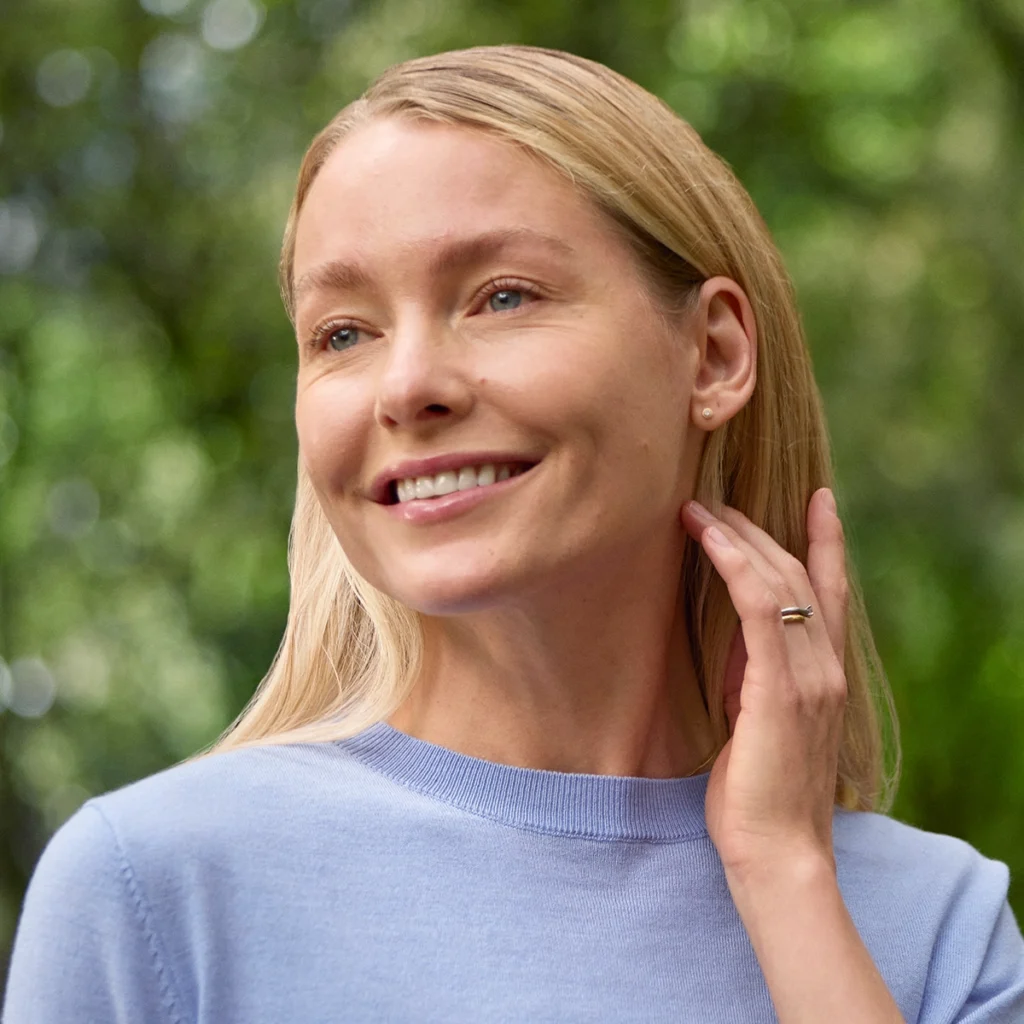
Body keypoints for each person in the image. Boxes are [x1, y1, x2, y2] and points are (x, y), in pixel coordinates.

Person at [4, 44, 1023, 1024]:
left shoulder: (934, 924)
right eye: (343, 333)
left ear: (711, 355)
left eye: (501, 297)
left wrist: (784, 874)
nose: (406, 388)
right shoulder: (153, 893)